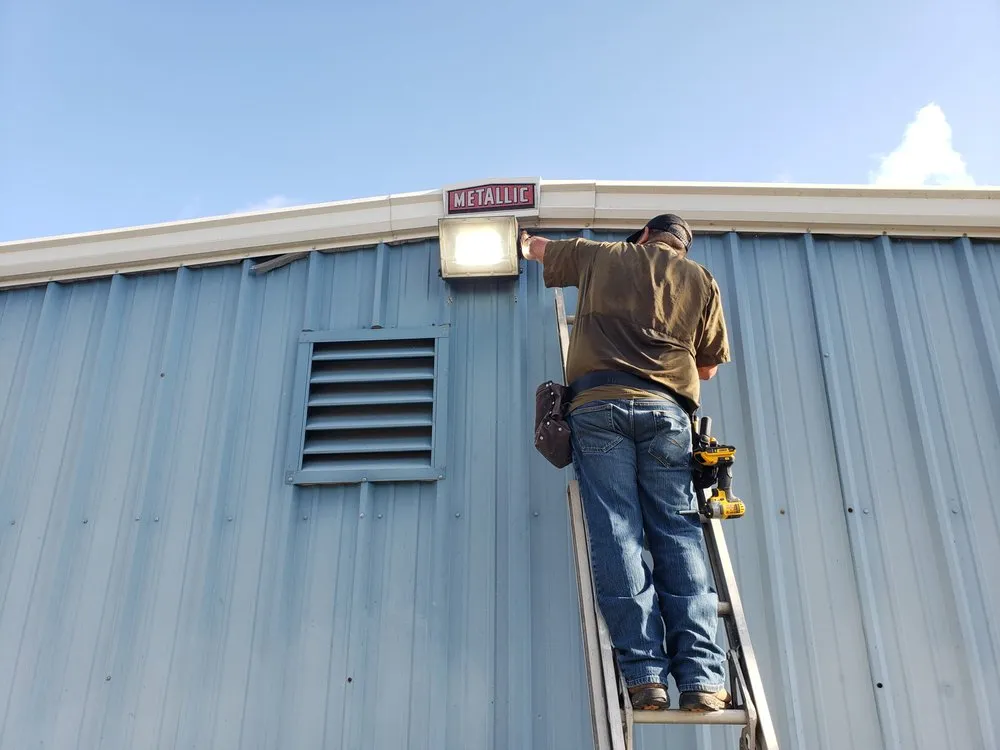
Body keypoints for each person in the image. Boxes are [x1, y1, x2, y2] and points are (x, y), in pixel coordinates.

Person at [521, 214, 732, 713]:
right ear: (681, 246)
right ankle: (702, 679)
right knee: (678, 533)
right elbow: (707, 367)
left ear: (641, 236)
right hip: (667, 412)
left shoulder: (602, 255)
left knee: (618, 531)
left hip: (597, 407)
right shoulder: (701, 280)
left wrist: (523, 239)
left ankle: (645, 678)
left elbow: (539, 250)